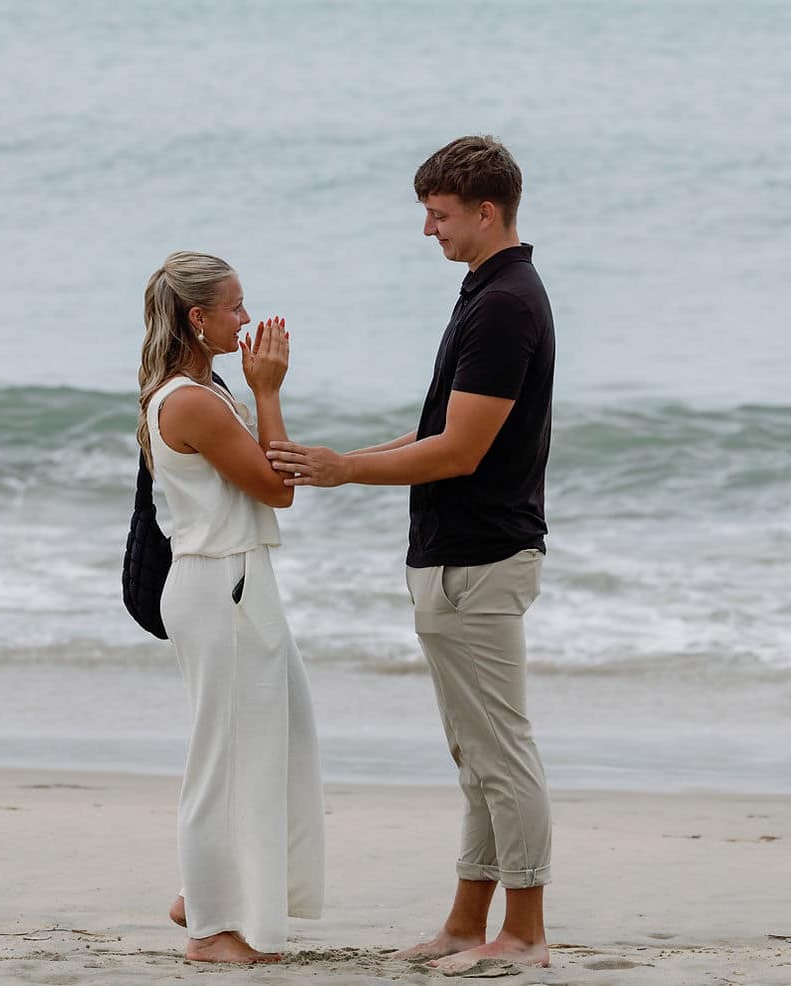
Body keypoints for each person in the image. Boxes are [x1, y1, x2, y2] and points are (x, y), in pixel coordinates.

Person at [266, 135, 555, 973]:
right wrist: (339, 461)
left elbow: (460, 452)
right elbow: (438, 429)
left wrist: (347, 471)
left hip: (481, 557)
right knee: (476, 757)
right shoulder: (486, 292)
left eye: (439, 215)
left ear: (486, 212)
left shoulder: (505, 304)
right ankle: (466, 925)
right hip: (454, 554)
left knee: (500, 753)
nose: (429, 230)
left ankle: (524, 934)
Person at [136, 251, 323, 963]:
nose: (246, 319)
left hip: (237, 581)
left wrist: (251, 391)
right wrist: (268, 391)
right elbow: (278, 488)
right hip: (220, 586)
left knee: (283, 738)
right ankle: (211, 931)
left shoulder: (203, 391)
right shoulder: (189, 400)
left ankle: (202, 892)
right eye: (235, 306)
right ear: (198, 317)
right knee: (220, 756)